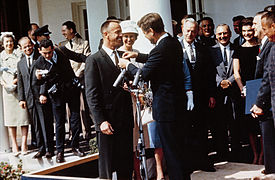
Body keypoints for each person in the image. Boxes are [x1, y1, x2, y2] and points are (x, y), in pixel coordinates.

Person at [119, 13, 194, 180]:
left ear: (151, 31)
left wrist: (128, 65)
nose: (146, 38)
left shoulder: (161, 48)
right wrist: (138, 56)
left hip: (167, 109)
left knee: (172, 153)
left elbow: (144, 74)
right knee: (179, 151)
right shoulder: (172, 42)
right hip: (177, 106)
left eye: (145, 34)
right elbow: (158, 59)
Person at [85, 20, 134, 179]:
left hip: (124, 119)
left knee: (126, 163)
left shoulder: (122, 56)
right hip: (108, 121)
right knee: (107, 165)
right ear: (106, 34)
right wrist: (100, 121)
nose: (121, 35)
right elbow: (92, 94)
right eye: (117, 32)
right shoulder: (94, 60)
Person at [35, 39, 86, 163]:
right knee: (59, 123)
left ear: (53, 48)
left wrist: (92, 60)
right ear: (40, 51)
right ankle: (60, 152)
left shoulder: (62, 51)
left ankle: (75, 146)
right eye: (44, 53)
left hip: (71, 89)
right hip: (56, 94)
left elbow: (78, 57)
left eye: (50, 52)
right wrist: (39, 80)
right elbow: (40, 82)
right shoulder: (39, 62)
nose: (48, 55)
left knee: (75, 119)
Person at [179, 17, 216, 172]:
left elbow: (209, 74)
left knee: (201, 130)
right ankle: (188, 164)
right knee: (185, 130)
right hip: (182, 97)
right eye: (188, 30)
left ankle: (203, 161)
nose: (190, 33)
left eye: (194, 31)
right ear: (182, 30)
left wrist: (211, 95)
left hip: (201, 96)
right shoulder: (175, 48)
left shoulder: (202, 48)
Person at [17, 37, 54, 159]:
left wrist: (43, 93)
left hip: (41, 96)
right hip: (30, 98)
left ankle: (49, 148)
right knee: (36, 125)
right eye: (25, 47)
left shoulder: (40, 58)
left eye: (29, 45)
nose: (28, 48)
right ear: (21, 49)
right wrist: (21, 99)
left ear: (32, 45)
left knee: (45, 123)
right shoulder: (20, 63)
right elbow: (21, 83)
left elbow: (45, 78)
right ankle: (41, 148)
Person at [209, 24, 242, 162]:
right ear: (216, 36)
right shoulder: (210, 51)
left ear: (230, 34)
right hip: (218, 93)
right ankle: (222, 153)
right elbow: (208, 70)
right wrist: (220, 82)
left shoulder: (237, 49)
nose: (223, 36)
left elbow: (239, 69)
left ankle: (237, 154)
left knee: (235, 123)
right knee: (219, 124)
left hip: (233, 92)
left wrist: (229, 81)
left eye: (225, 33)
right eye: (220, 34)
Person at [233, 18, 263, 164]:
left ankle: (264, 154)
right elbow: (236, 72)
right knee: (250, 127)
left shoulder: (261, 47)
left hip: (262, 88)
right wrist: (242, 88)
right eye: (244, 31)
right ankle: (255, 154)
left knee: (262, 124)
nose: (247, 34)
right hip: (247, 90)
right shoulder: (238, 49)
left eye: (249, 30)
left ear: (254, 30)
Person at [59, 20, 93, 141]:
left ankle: (86, 132)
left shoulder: (84, 43)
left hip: (81, 78)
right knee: (70, 109)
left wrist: (78, 74)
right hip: (69, 80)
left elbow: (87, 60)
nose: (63, 33)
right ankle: (73, 133)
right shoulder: (63, 46)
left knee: (83, 106)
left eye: (64, 30)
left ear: (71, 30)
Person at [251, 10, 275, 174]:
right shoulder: (267, 43)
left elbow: (268, 76)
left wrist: (260, 102)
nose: (254, 28)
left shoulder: (272, 45)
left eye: (256, 24)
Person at [0, 33, 29, 156]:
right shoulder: (0, 57)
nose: (9, 44)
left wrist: (15, 81)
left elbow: (23, 70)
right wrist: (5, 84)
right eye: (6, 42)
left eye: (11, 41)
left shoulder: (20, 54)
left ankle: (24, 143)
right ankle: (14, 145)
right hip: (7, 91)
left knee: (23, 117)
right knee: (10, 119)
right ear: (2, 44)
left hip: (19, 88)